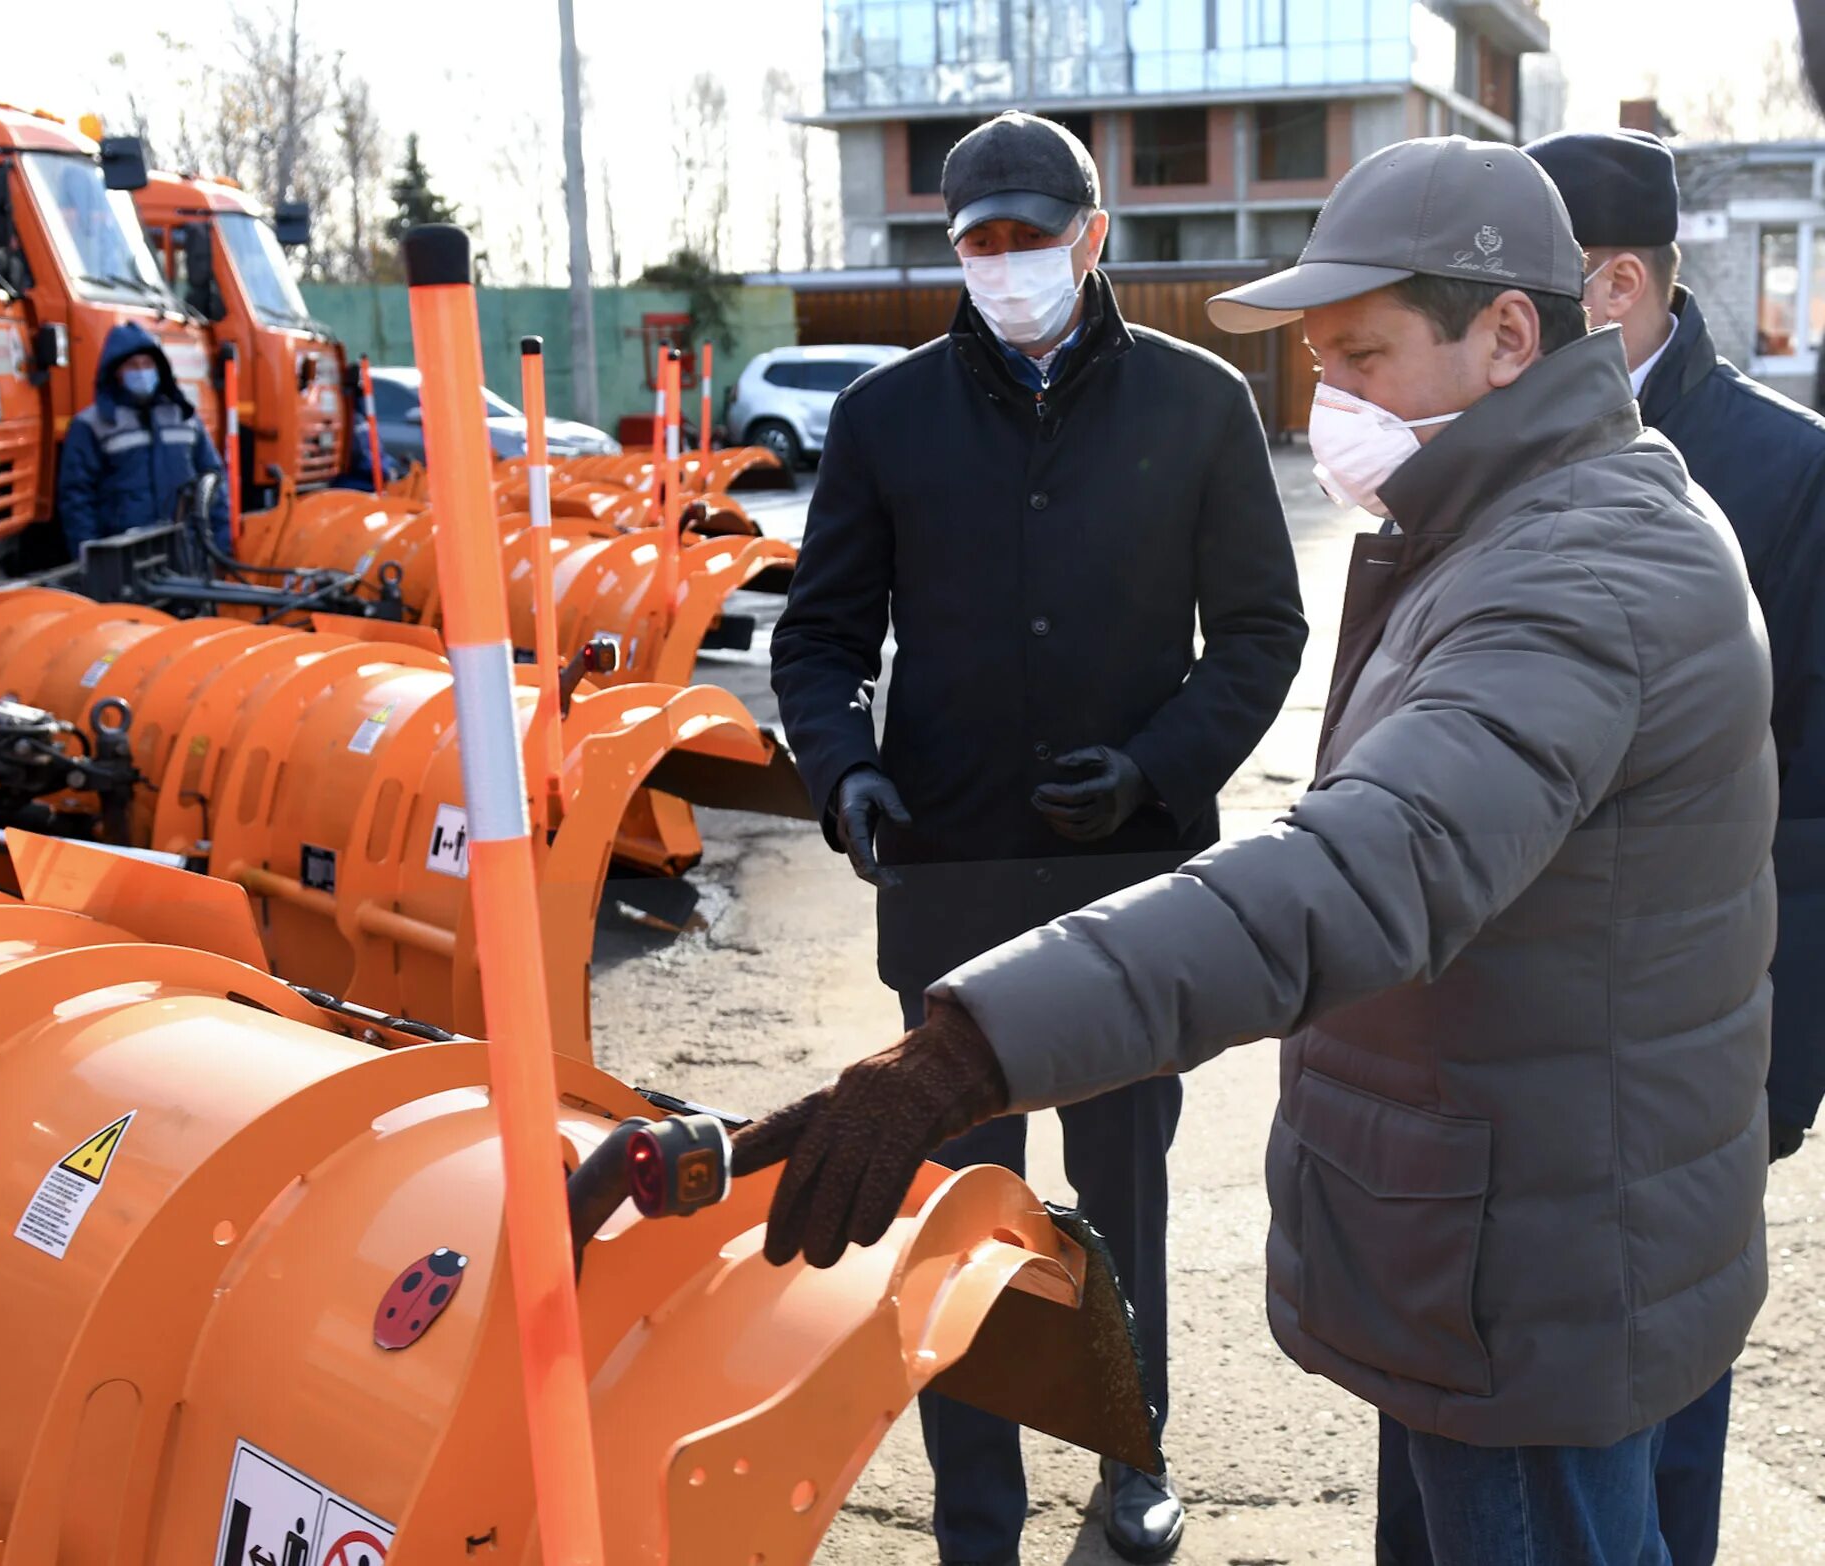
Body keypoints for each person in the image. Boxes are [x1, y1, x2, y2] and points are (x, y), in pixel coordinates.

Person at [742, 136, 1778, 1566]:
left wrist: (967, 1047)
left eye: (1360, 355)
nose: (1330, 401)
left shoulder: (1577, 575)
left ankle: (1128, 1467)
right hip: (1506, 1238)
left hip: (1541, 1266)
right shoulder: (1496, 524)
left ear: (1508, 334)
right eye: (1320, 361)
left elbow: (1366, 863)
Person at [767, 111, 1306, 1565]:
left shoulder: (1199, 404)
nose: (1006, 264)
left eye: (1032, 235)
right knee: (961, 1208)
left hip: (1134, 889)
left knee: (1117, 1193)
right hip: (951, 884)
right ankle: (974, 1511)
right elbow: (819, 642)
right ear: (954, 249)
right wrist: (847, 773)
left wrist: (1153, 767)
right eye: (978, 241)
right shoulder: (887, 419)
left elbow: (1261, 630)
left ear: (1094, 234)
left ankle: (1130, 1456)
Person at [1350, 122, 1825, 1566]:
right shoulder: (1442, 455)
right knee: (1447, 1467)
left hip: (1672, 1065)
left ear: (1606, 285)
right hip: (1458, 1079)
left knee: (1638, 1455)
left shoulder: (1775, 470)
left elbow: (1809, 806)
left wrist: (1773, 1070)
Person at [57, 321, 231, 557]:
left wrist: (222, 544)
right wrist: (91, 557)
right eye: (132, 365)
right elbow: (77, 499)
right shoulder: (91, 425)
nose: (141, 372)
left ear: (160, 369)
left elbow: (213, 481)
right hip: (125, 557)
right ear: (116, 372)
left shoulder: (184, 417)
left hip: (186, 552)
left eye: (147, 364)